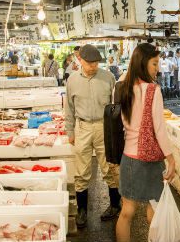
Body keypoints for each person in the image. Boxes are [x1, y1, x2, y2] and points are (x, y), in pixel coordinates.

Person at [115, 43, 176, 242]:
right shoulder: (152, 90)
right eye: (154, 63)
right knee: (154, 209)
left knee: (126, 212)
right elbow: (159, 128)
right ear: (143, 63)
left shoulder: (122, 86)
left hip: (128, 157)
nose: (157, 68)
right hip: (149, 159)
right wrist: (171, 158)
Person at [65, 44, 119, 228]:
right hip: (82, 127)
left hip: (104, 126)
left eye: (96, 63)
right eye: (90, 63)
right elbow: (69, 109)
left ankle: (114, 205)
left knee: (109, 166)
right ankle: (81, 211)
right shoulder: (72, 80)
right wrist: (70, 131)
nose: (94, 66)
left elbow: (115, 105)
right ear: (80, 60)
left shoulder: (108, 77)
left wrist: (116, 131)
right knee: (81, 170)